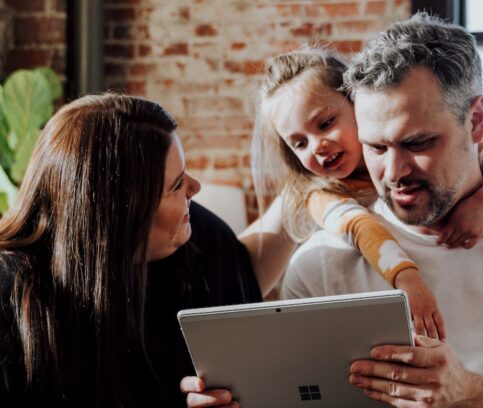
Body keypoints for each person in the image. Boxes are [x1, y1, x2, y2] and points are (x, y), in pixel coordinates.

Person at [282, 12, 483, 406]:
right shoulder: (319, 265)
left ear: (476, 120)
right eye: (376, 147)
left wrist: (472, 395)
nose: (394, 173)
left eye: (418, 144)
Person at [0, 93, 290, 407]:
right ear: (121, 217)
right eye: (177, 184)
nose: (195, 188)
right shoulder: (13, 296)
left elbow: (242, 281)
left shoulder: (195, 237)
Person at [251, 46, 483, 340]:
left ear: (357, 106)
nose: (317, 146)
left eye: (325, 124)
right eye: (299, 143)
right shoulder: (322, 196)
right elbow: (363, 228)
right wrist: (407, 280)